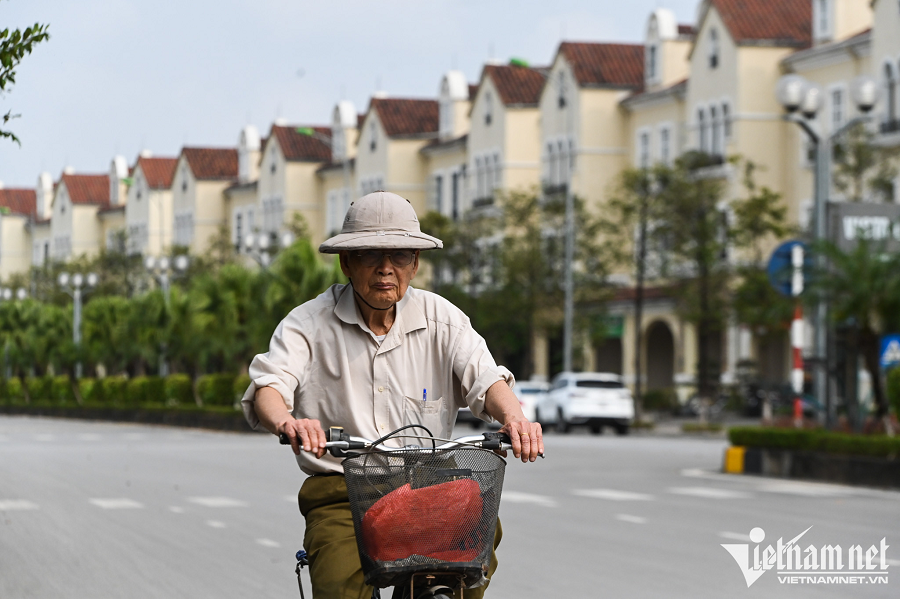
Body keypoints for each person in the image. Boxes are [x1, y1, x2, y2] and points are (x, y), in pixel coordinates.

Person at [241, 191, 543, 599]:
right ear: (347, 262)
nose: (386, 269)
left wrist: (515, 419)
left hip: (429, 484)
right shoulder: (307, 323)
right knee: (338, 587)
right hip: (342, 492)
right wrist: (288, 422)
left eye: (399, 256)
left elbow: (487, 379)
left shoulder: (443, 318)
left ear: (415, 264)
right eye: (370, 256)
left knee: (475, 552)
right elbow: (270, 386)